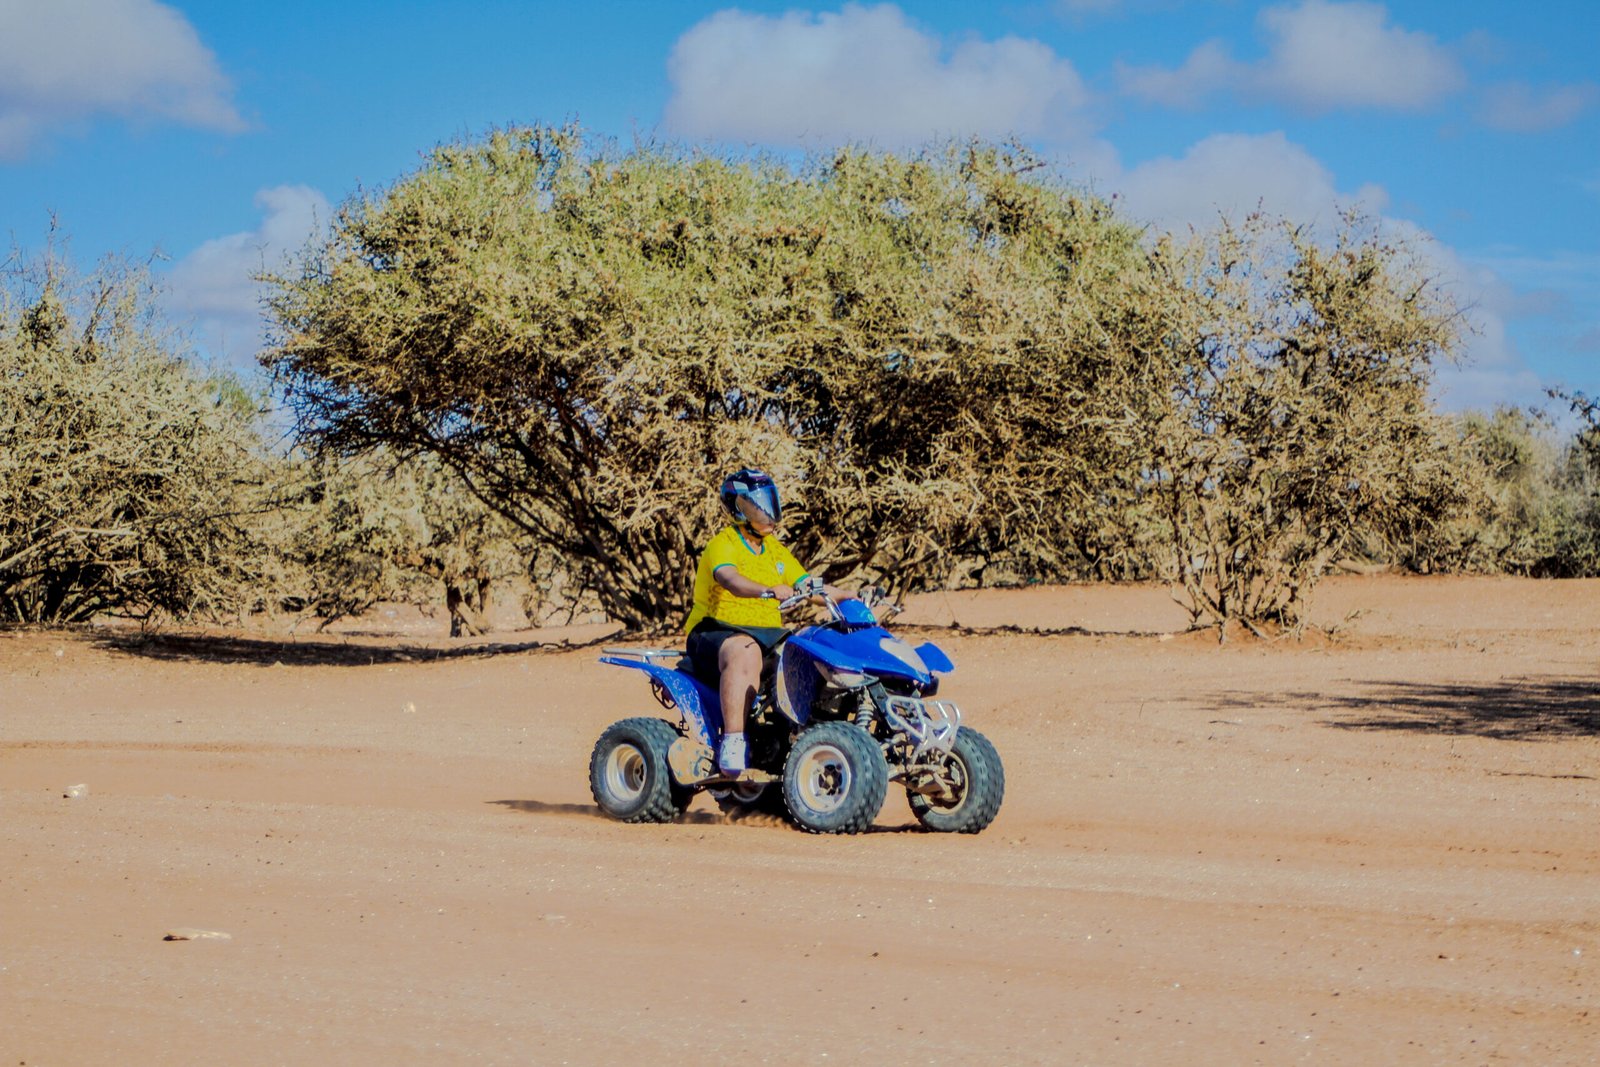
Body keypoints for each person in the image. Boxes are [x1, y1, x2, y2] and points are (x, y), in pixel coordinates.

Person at [684, 468, 856, 776]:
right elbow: (731, 579)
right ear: (738, 508)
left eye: (768, 502)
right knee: (745, 650)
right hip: (715, 630)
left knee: (813, 650)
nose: (766, 511)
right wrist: (768, 590)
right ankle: (733, 741)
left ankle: (803, 735)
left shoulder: (775, 550)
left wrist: (850, 597)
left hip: (768, 634)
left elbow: (810, 587)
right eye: (756, 505)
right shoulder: (723, 543)